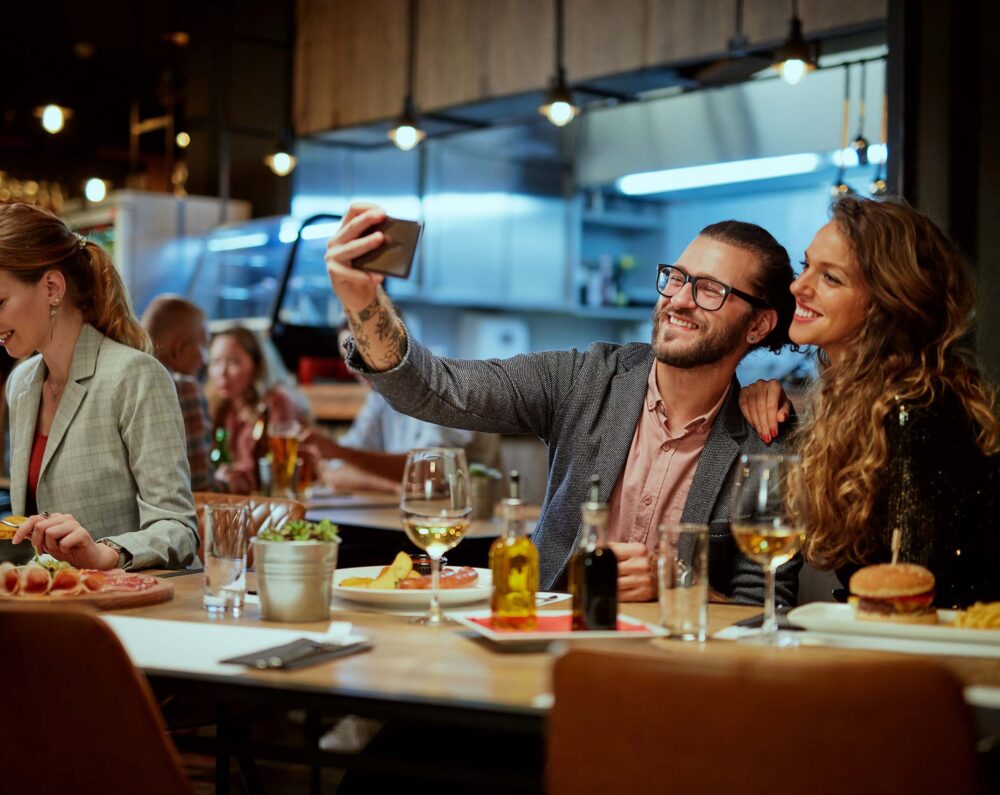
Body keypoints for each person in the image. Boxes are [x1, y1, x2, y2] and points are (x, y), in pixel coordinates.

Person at [323, 202, 801, 604]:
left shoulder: (766, 436)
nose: (678, 299)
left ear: (758, 326)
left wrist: (677, 585)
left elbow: (766, 602)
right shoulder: (584, 379)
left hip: (675, 676)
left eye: (710, 290)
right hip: (546, 643)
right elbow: (435, 388)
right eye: (676, 278)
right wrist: (362, 301)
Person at [738, 196, 1000, 608]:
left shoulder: (916, 412)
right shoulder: (862, 400)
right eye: (807, 266)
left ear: (887, 303)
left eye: (831, 278)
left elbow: (911, 599)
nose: (798, 287)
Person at [3, 203, 198, 570]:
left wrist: (104, 552)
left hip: (130, 612)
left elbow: (178, 528)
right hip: (59, 605)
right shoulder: (21, 384)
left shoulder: (135, 376)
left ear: (52, 287)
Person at [304, 322, 501, 494]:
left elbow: (431, 472)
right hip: (420, 514)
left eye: (358, 354)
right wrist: (392, 487)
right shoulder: (378, 395)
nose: (350, 367)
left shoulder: (435, 381)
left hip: (475, 522)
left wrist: (338, 451)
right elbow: (335, 473)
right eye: (345, 357)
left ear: (392, 343)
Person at [207, 326, 303, 494]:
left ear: (257, 365)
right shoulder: (218, 407)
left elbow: (280, 472)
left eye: (233, 361)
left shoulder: (277, 402)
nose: (222, 372)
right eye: (215, 362)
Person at [141, 295, 214, 492]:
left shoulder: (117, 381)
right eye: (204, 346)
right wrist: (231, 482)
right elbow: (199, 488)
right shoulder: (183, 389)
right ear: (179, 347)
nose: (205, 360)